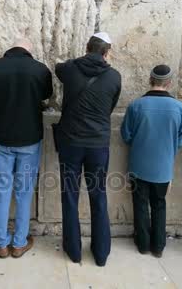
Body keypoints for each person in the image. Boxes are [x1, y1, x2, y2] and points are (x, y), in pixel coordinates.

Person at [0, 38, 53, 259]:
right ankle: (19, 243)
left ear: (9, 50)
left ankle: (1, 244)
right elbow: (46, 96)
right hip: (29, 140)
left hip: (1, 140)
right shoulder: (40, 69)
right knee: (24, 192)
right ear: (28, 52)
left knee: (1, 192)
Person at [55, 32, 121, 266]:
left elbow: (58, 67)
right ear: (107, 52)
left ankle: (73, 250)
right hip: (98, 144)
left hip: (71, 143)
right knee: (98, 195)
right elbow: (110, 106)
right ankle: (101, 253)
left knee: (70, 196)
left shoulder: (70, 69)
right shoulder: (114, 76)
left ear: (87, 47)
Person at [121, 65, 182, 258]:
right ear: (169, 83)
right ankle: (158, 247)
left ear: (150, 80)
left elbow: (126, 135)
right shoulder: (180, 108)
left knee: (140, 203)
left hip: (138, 167)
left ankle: (142, 244)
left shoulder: (136, 105)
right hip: (163, 168)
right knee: (159, 204)